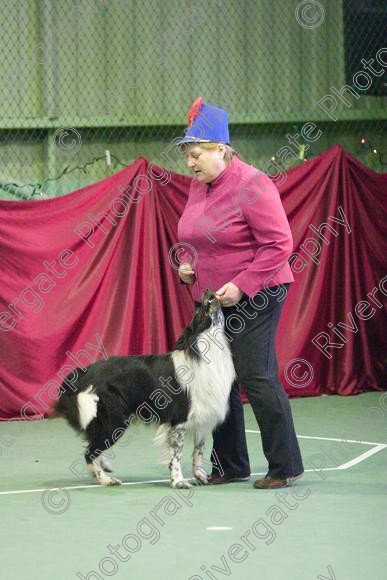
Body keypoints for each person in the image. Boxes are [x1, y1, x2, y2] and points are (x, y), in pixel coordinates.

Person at [175, 98, 304, 489]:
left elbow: (280, 244)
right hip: (213, 299)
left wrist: (243, 284)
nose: (190, 163)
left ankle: (284, 466)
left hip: (259, 293)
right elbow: (193, 238)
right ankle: (231, 465)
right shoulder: (201, 187)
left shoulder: (253, 183)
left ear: (221, 149)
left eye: (196, 155)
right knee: (219, 380)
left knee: (255, 375)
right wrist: (186, 266)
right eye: (187, 157)